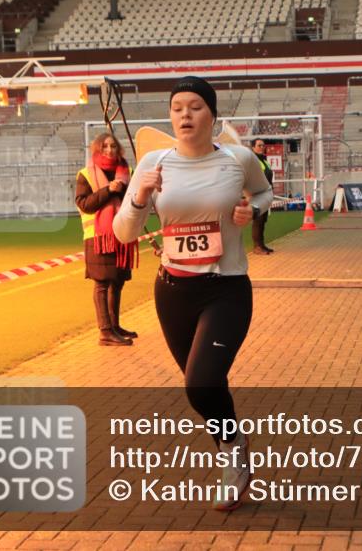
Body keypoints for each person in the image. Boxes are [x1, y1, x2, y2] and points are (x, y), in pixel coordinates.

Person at [113, 76, 273, 511]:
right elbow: (124, 232)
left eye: (196, 106)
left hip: (225, 289)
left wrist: (252, 209)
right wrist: (140, 195)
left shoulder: (238, 158)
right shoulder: (154, 163)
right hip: (173, 292)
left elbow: (264, 191)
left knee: (200, 383)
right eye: (177, 107)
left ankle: (232, 457)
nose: (185, 114)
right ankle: (234, 445)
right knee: (205, 386)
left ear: (212, 115)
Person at [75, 132, 138, 347]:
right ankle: (105, 331)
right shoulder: (86, 174)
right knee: (102, 283)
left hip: (121, 235)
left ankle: (115, 326)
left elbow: (134, 201)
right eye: (105, 146)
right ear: (97, 149)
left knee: (117, 281)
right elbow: (84, 204)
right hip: (98, 237)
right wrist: (108, 190)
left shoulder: (128, 171)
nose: (109, 150)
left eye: (113, 146)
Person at [250, 138, 274, 255]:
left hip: (265, 194)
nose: (262, 147)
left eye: (263, 145)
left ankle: (262, 244)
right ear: (253, 147)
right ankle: (257, 247)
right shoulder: (252, 161)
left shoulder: (265, 161)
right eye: (259, 145)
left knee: (263, 220)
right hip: (257, 194)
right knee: (258, 221)